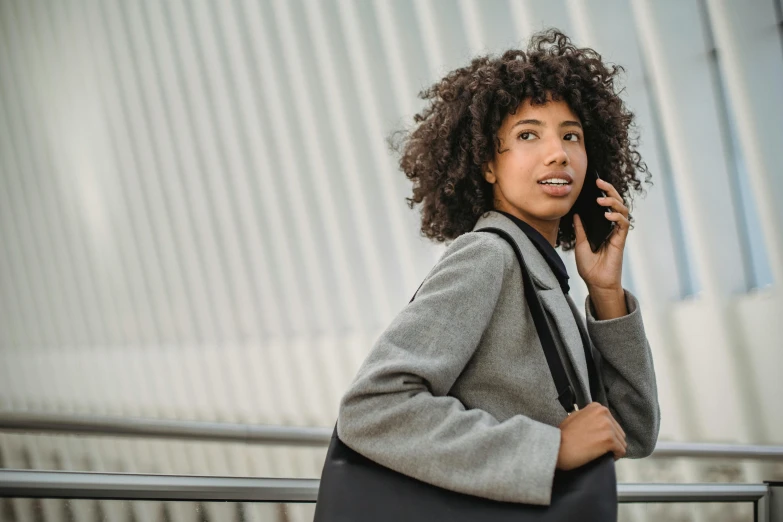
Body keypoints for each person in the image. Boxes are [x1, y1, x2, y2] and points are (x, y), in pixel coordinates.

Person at [335, 28, 660, 506]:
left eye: (572, 135)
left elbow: (631, 430)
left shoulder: (544, 275)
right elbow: (372, 407)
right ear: (487, 164)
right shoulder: (489, 255)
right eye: (528, 135)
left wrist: (606, 292)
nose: (558, 152)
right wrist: (548, 449)